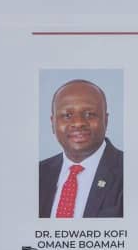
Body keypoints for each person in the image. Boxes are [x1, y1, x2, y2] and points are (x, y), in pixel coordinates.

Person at [39, 79, 124, 218]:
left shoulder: (128, 171)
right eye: (67, 115)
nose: (78, 123)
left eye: (89, 114)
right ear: (53, 123)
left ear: (106, 120)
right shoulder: (38, 174)